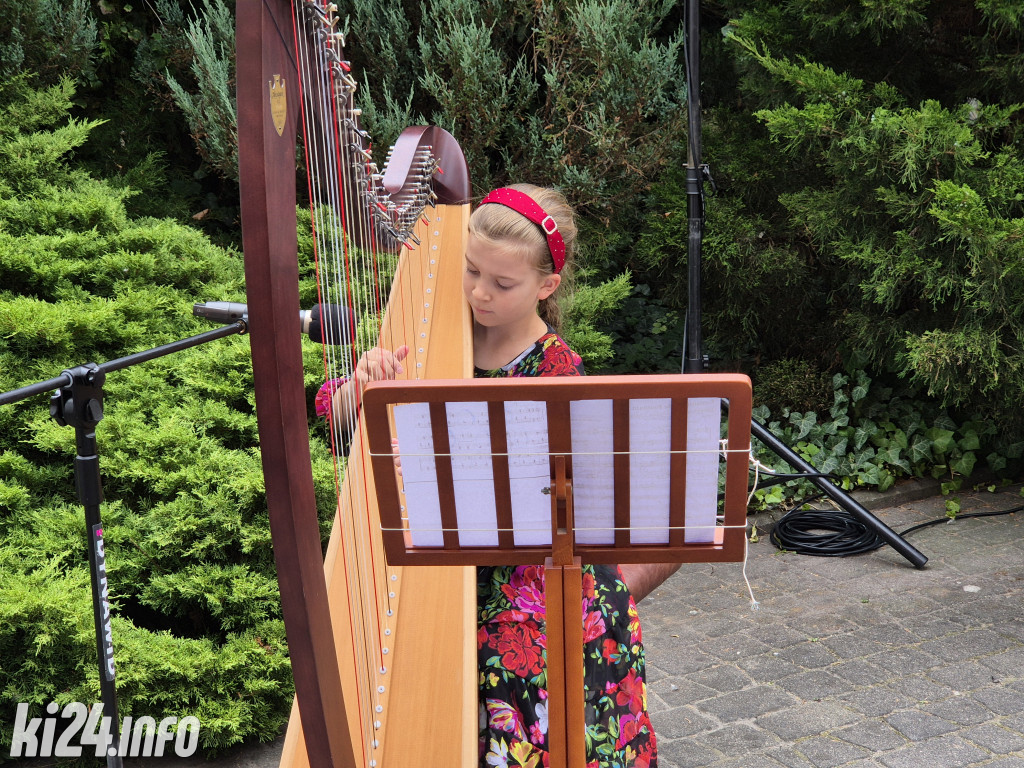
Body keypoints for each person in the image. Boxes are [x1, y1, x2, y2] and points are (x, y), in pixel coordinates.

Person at [316, 184, 675, 768]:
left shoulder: (556, 373)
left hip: (535, 598)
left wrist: (443, 467)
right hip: (459, 570)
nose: (479, 292)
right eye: (471, 270)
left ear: (546, 287)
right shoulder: (434, 327)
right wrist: (362, 386)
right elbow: (333, 418)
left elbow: (557, 511)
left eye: (502, 284)